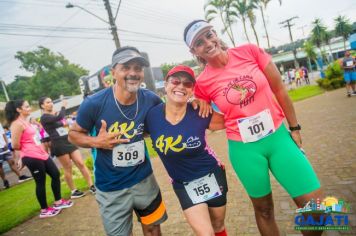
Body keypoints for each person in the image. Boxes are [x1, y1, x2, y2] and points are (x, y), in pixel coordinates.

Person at [184, 20, 323, 236]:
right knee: (264, 210)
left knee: (316, 209)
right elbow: (206, 117)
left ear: (215, 34)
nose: (208, 42)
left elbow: (279, 89)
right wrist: (196, 105)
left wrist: (294, 128)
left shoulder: (249, 52)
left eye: (209, 35)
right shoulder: (202, 83)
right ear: (194, 51)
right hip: (244, 150)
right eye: (199, 42)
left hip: (278, 138)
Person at [68, 46, 169, 236]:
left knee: (154, 229)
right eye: (126, 67)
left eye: (138, 68)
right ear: (113, 72)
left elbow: (168, 120)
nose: (133, 73)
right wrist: (98, 142)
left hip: (144, 180)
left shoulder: (151, 100)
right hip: (111, 187)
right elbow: (73, 135)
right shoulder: (94, 103)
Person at [145, 65, 228, 236]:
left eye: (187, 84)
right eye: (175, 81)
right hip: (183, 184)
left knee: (218, 226)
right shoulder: (151, 116)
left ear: (192, 89)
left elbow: (232, 119)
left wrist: (205, 99)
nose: (181, 86)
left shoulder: (200, 112)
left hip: (212, 174)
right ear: (166, 85)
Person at [5, 100, 73, 218]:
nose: (29, 107)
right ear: (19, 110)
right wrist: (23, 156)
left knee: (55, 174)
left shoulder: (26, 122)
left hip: (41, 153)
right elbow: (15, 145)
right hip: (31, 156)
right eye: (26, 106)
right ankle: (44, 210)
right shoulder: (16, 124)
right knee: (40, 182)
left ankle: (58, 202)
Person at [39, 97, 95, 198]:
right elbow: (60, 118)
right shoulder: (44, 117)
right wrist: (63, 106)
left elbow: (62, 121)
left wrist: (61, 118)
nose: (51, 103)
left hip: (68, 140)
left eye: (51, 101)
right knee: (68, 167)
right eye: (48, 102)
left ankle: (91, 185)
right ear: (42, 106)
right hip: (58, 143)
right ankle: (74, 191)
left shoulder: (54, 115)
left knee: (80, 163)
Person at [0, 123, 32, 189]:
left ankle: (20, 176)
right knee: (0, 166)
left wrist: (6, 143)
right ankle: (5, 181)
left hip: (4, 147)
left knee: (11, 162)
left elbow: (3, 134)